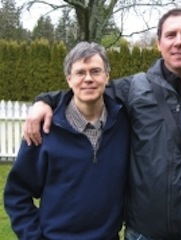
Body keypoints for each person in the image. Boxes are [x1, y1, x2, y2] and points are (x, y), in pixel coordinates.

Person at [23, 8, 181, 240]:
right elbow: (88, 89)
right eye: (171, 35)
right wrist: (44, 101)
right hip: (142, 234)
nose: (179, 42)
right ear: (159, 43)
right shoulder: (136, 89)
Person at [4, 41, 130, 240]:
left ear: (107, 76)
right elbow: (17, 194)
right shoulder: (44, 130)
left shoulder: (124, 124)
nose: (88, 79)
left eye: (96, 71)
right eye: (80, 72)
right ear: (69, 79)